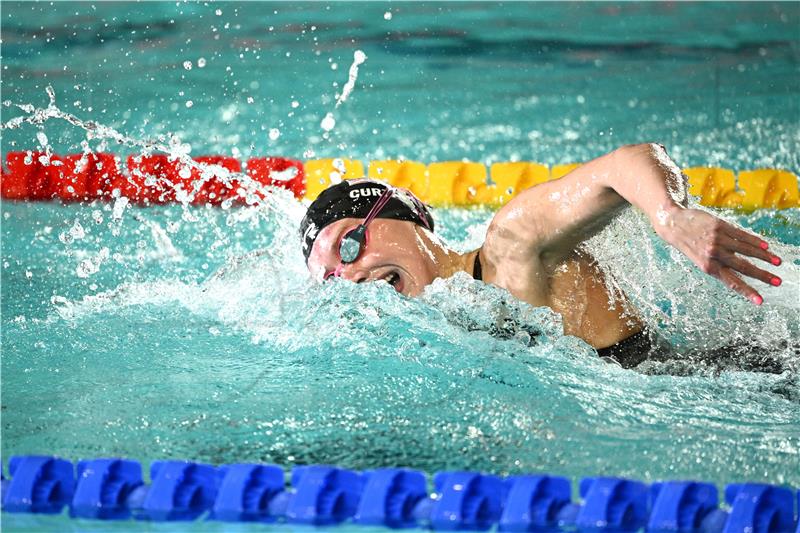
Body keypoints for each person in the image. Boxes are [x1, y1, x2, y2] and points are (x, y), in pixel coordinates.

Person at [299, 143, 784, 368]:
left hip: (746, 378)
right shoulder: (439, 332)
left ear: (399, 214)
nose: (351, 275)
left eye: (349, 245)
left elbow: (623, 165)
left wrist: (669, 214)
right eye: (333, 278)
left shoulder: (510, 246)